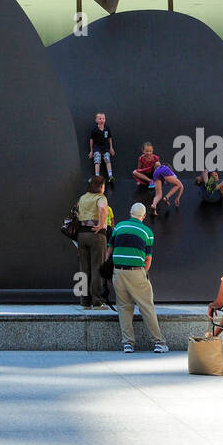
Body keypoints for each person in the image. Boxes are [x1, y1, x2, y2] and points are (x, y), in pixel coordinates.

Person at [105, 203, 168, 353]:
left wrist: (109, 269)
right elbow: (148, 259)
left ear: (130, 213)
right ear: (144, 216)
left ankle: (128, 343)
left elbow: (109, 251)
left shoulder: (118, 227)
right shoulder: (147, 232)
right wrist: (142, 273)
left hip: (118, 272)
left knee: (124, 307)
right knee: (147, 307)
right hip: (136, 272)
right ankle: (159, 343)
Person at [73, 174, 109, 309]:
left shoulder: (83, 197)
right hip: (96, 234)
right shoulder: (100, 197)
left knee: (84, 269)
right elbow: (102, 209)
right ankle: (97, 301)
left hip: (81, 235)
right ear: (101, 186)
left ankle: (84, 302)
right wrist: (101, 224)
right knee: (97, 267)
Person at [132, 142, 183, 214]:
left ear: (152, 151)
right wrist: (178, 198)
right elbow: (181, 187)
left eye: (150, 151)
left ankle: (154, 205)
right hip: (157, 172)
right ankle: (166, 197)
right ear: (143, 151)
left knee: (158, 195)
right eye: (147, 151)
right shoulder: (171, 174)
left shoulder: (155, 158)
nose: (149, 153)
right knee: (178, 185)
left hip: (155, 174)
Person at [88, 113, 115, 186]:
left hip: (105, 148)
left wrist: (111, 147)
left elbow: (109, 138)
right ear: (96, 120)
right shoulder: (95, 130)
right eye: (100, 119)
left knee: (107, 159)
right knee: (97, 160)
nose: (102, 120)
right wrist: (91, 150)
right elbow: (91, 140)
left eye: (103, 118)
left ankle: (110, 176)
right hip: (97, 148)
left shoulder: (107, 128)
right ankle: (96, 177)